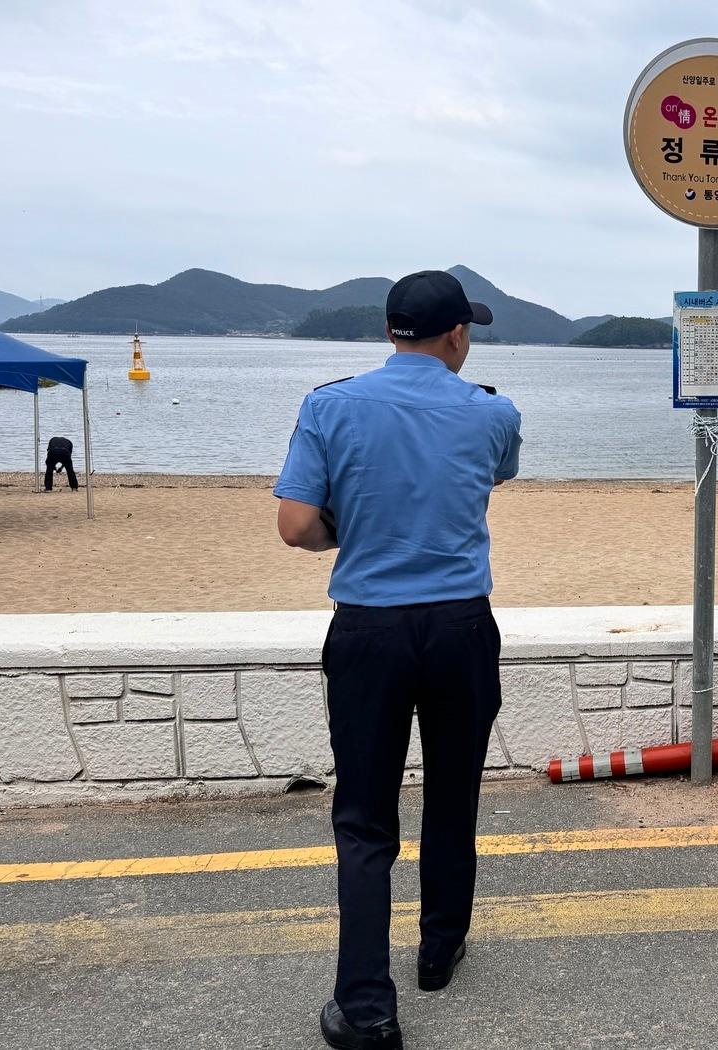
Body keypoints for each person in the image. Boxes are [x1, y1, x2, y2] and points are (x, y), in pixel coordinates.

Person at [275, 270, 522, 1049]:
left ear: (390, 332)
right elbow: (494, 473)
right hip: (459, 627)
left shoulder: (329, 405)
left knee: (364, 819)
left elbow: (296, 526)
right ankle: (439, 950)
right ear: (458, 335)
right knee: (453, 795)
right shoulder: (492, 411)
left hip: (369, 631)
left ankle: (366, 1008)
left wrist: (350, 529)